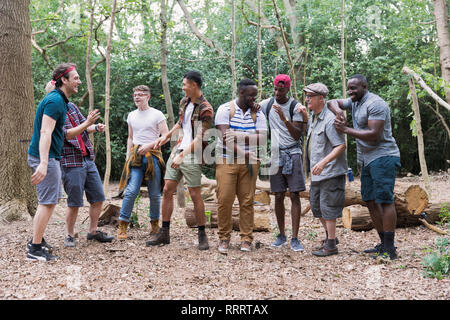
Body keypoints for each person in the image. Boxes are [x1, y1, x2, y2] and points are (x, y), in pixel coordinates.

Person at [327, 74, 401, 260]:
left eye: (354, 88)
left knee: (385, 200)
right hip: (367, 160)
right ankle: (383, 243)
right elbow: (331, 101)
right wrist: (338, 112)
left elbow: (374, 134)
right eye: (349, 88)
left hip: (383, 157)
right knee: (370, 200)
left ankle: (390, 249)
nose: (351, 92)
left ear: (364, 86)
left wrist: (345, 129)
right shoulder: (354, 102)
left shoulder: (375, 104)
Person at [147, 71, 213, 250]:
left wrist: (182, 155)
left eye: (185, 84)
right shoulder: (184, 102)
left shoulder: (206, 108)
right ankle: (165, 233)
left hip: (192, 152)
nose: (182, 87)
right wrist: (166, 136)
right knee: (167, 188)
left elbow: (200, 137)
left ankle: (202, 234)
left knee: (194, 193)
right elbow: (180, 123)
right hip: (179, 148)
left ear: (194, 85)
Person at [43, 81, 114, 247]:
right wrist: (88, 123)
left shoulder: (72, 106)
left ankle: (93, 231)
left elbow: (84, 126)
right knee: (74, 202)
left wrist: (96, 127)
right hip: (70, 161)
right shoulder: (52, 110)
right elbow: (67, 134)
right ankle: (69, 234)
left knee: (98, 197)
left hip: (87, 158)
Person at [26, 63, 80, 261]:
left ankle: (37, 240)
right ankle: (34, 248)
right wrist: (43, 162)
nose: (79, 81)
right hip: (46, 157)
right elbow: (45, 131)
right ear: (63, 80)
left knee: (50, 200)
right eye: (75, 78)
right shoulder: (55, 101)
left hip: (51, 157)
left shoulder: (60, 100)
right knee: (47, 202)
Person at [214, 78, 267, 254]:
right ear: (241, 93)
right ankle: (224, 238)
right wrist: (244, 145)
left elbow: (261, 138)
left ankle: (246, 238)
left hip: (250, 162)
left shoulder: (258, 113)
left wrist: (236, 134)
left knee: (247, 201)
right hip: (227, 160)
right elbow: (224, 138)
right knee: (225, 200)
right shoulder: (224, 109)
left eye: (256, 95)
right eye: (251, 95)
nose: (255, 98)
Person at [259, 74, 308, 251]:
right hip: (276, 153)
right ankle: (281, 234)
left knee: (294, 194)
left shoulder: (295, 107)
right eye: (275, 89)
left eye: (281, 90)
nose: (277, 93)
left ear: (288, 89)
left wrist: (284, 119)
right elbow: (254, 108)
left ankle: (295, 237)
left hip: (293, 152)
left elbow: (297, 134)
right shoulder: (268, 104)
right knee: (278, 195)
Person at [117, 85, 168, 242]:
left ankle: (154, 225)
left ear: (148, 97)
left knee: (154, 193)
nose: (136, 97)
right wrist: (128, 155)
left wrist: (150, 145)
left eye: (140, 95)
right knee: (131, 191)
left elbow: (165, 136)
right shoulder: (131, 115)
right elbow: (131, 137)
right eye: (134, 95)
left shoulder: (157, 114)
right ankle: (123, 225)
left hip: (153, 156)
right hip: (136, 157)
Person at [303, 83, 347, 257]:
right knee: (316, 207)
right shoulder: (314, 117)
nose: (307, 100)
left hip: (330, 171)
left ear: (321, 98)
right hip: (317, 174)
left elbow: (340, 145)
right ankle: (331, 237)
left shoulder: (330, 119)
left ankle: (331, 245)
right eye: (306, 96)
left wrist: (323, 162)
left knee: (328, 207)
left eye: (310, 97)